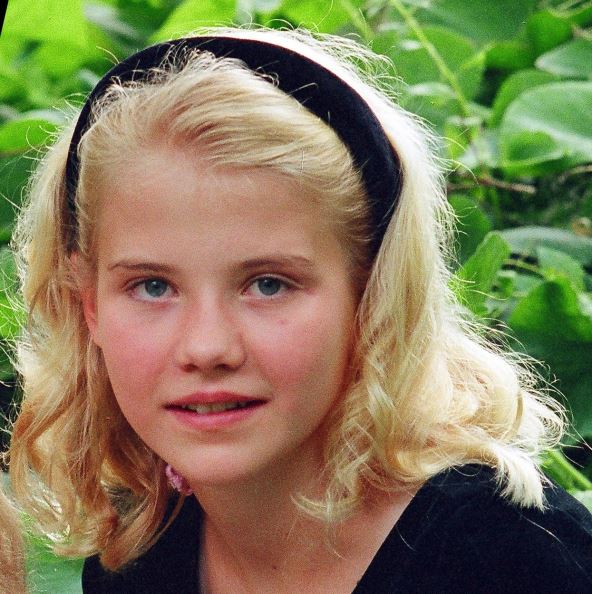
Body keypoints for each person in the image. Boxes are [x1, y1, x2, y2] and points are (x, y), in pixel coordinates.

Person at [7, 27, 592, 593]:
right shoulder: (140, 554)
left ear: (372, 295)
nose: (207, 348)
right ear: (88, 305)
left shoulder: (511, 559)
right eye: (153, 287)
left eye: (268, 285)